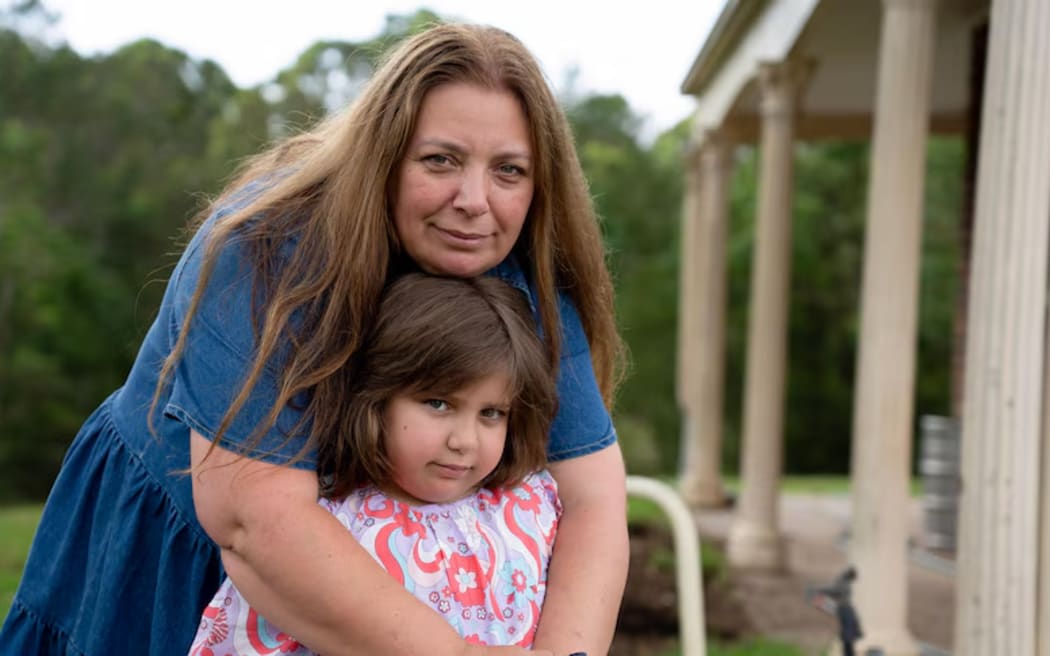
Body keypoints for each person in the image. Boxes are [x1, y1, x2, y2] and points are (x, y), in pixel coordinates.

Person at [2, 22, 628, 656]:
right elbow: (254, 522)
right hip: (181, 561)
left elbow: (593, 498)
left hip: (388, 608)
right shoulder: (265, 249)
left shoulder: (528, 275)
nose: (474, 200)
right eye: (440, 159)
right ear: (385, 154)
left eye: (509, 170)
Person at [189, 273, 561, 655]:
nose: (464, 441)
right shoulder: (325, 531)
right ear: (377, 399)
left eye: (491, 413)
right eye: (438, 404)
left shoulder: (527, 507)